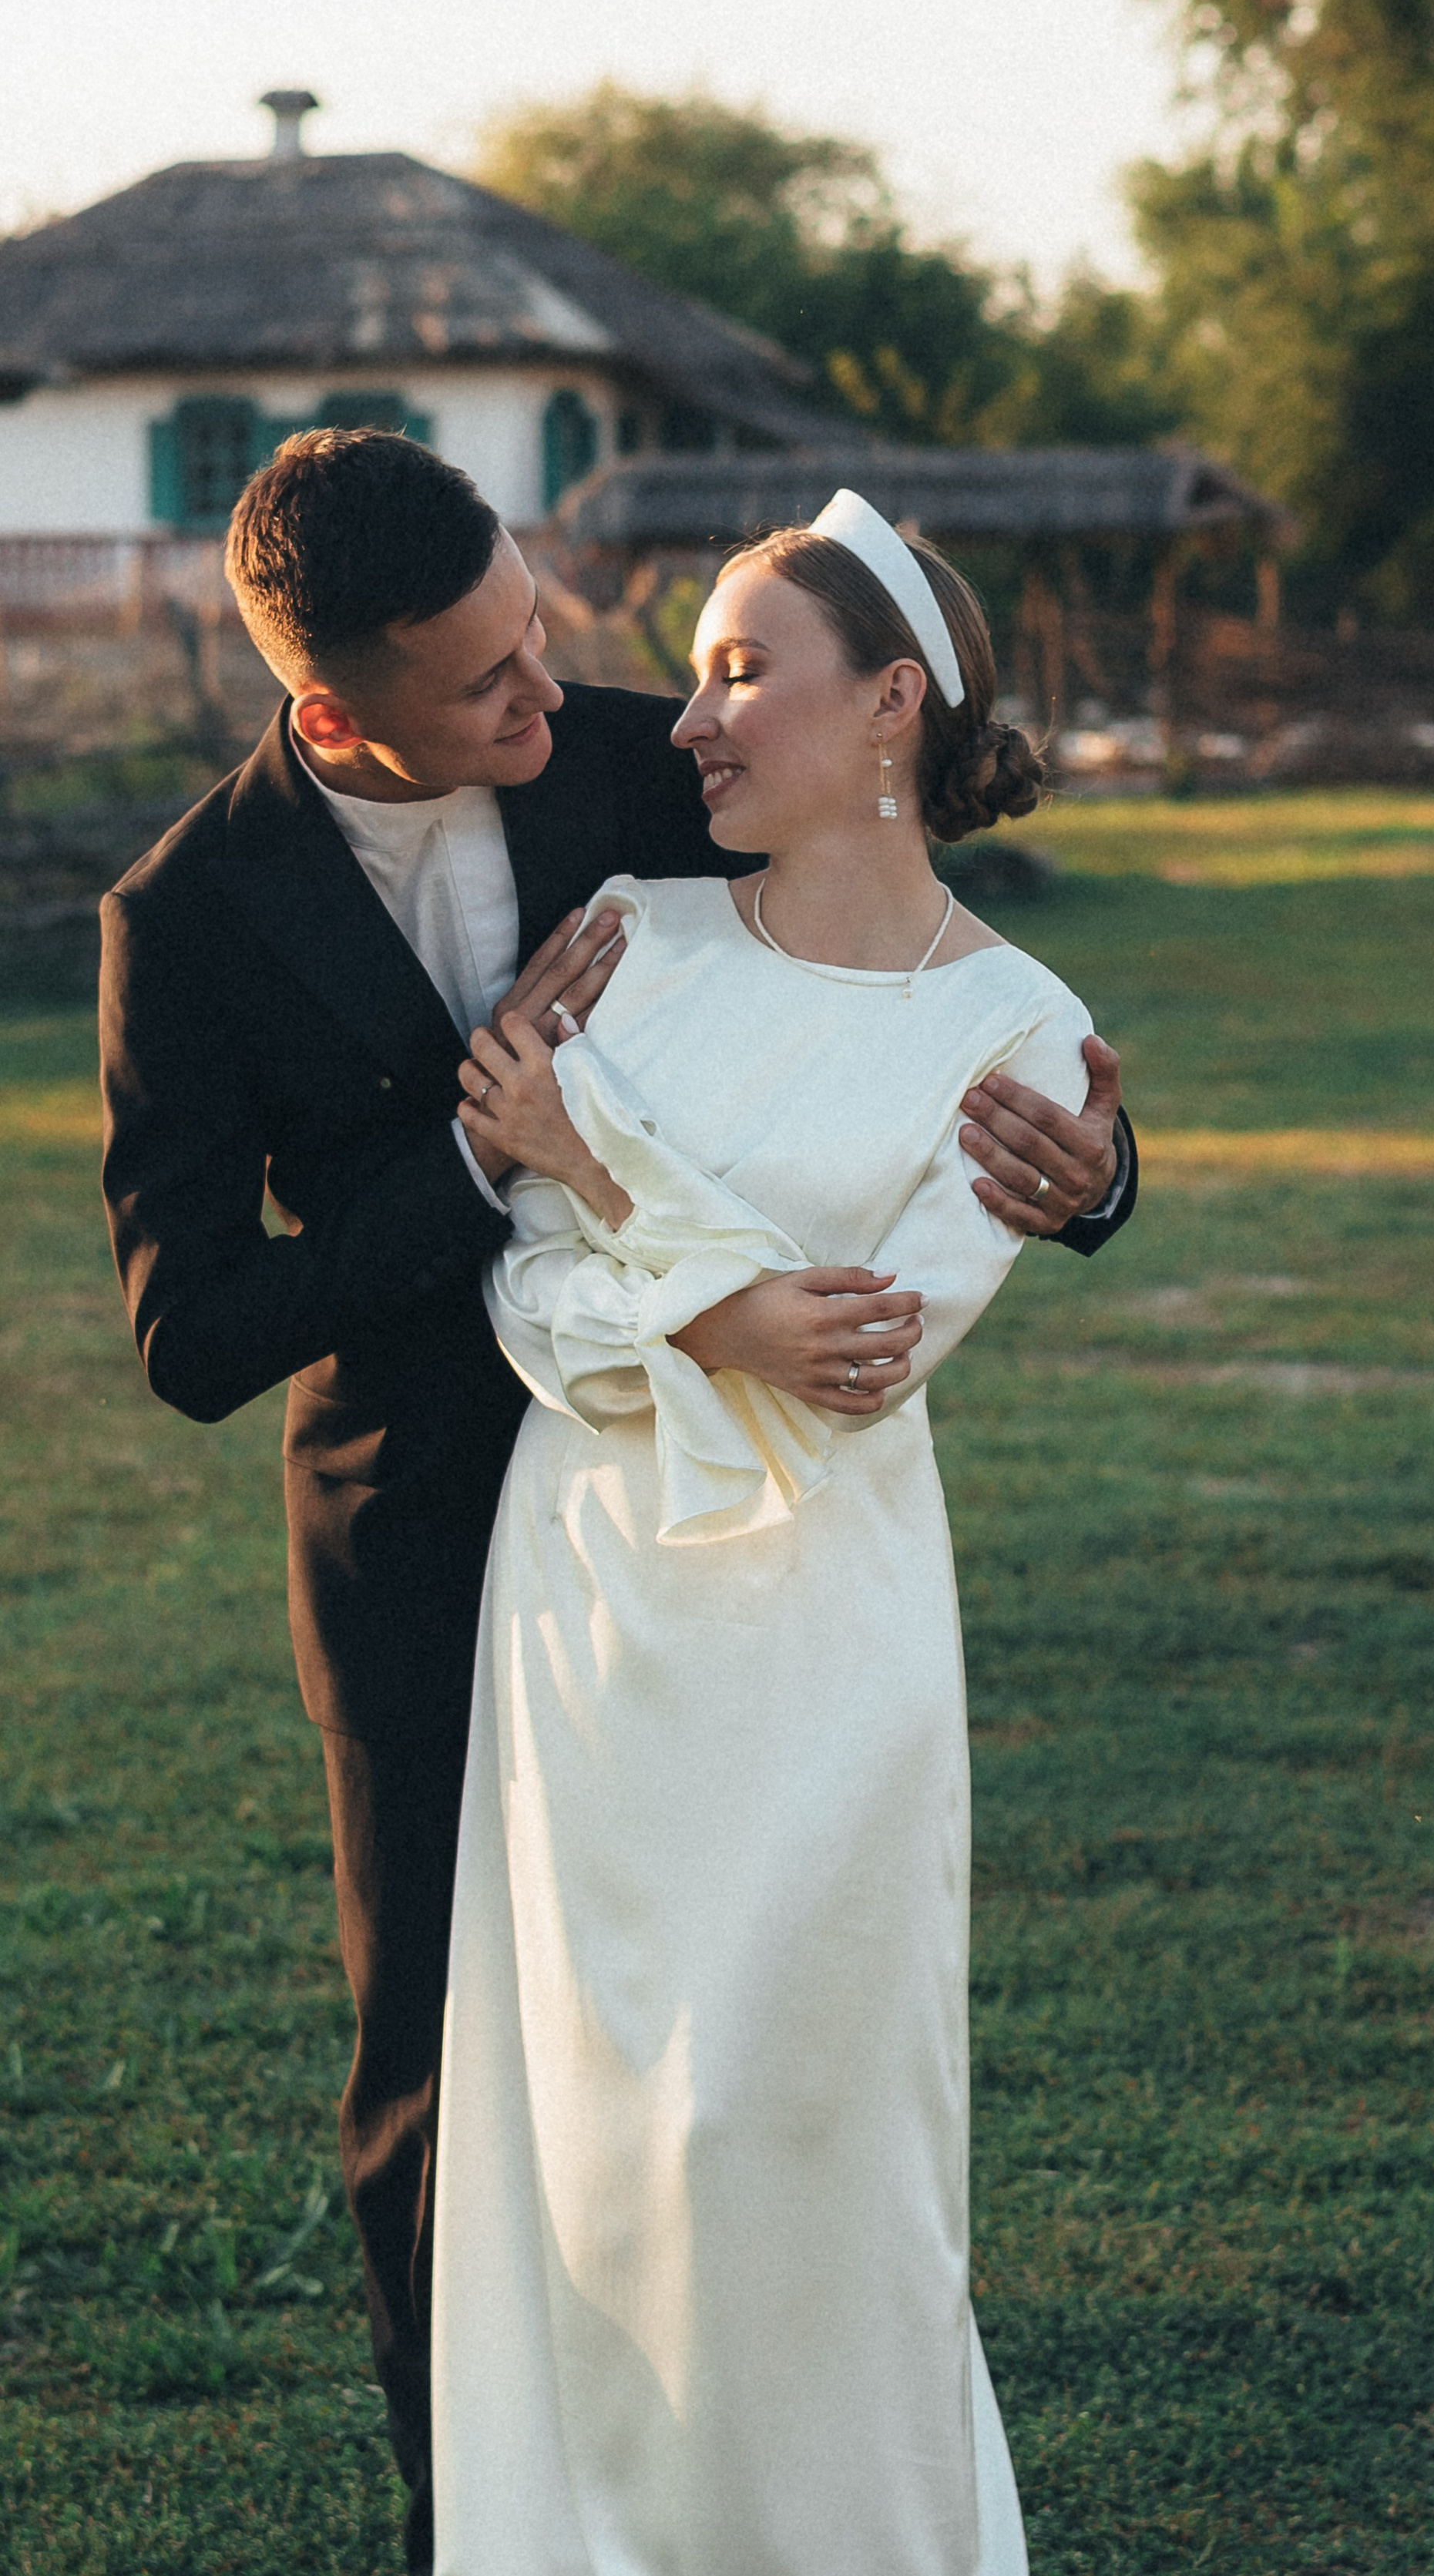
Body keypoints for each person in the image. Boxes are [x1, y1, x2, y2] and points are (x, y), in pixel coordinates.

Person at [96, 433, 1137, 2574]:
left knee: (763, 2076)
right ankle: (482, 2516)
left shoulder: (649, 777)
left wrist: (1103, 1174)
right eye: (487, 682)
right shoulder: (185, 919)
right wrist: (486, 1173)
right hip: (426, 1537)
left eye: (539, 631)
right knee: (439, 2078)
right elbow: (196, 1331)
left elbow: (888, 947)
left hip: (750, 1547)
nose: (562, 705)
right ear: (332, 710)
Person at [429, 492, 1092, 2574]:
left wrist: (604, 1181)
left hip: (826, 1636)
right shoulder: (632, 930)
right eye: (698, 666)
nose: (692, 712)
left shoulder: (1025, 1040)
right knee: (598, 2136)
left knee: (791, 2126)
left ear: (890, 698)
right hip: (586, 1610)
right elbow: (524, 1288)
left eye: (741, 666)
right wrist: (693, 1280)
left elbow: (864, 1358)